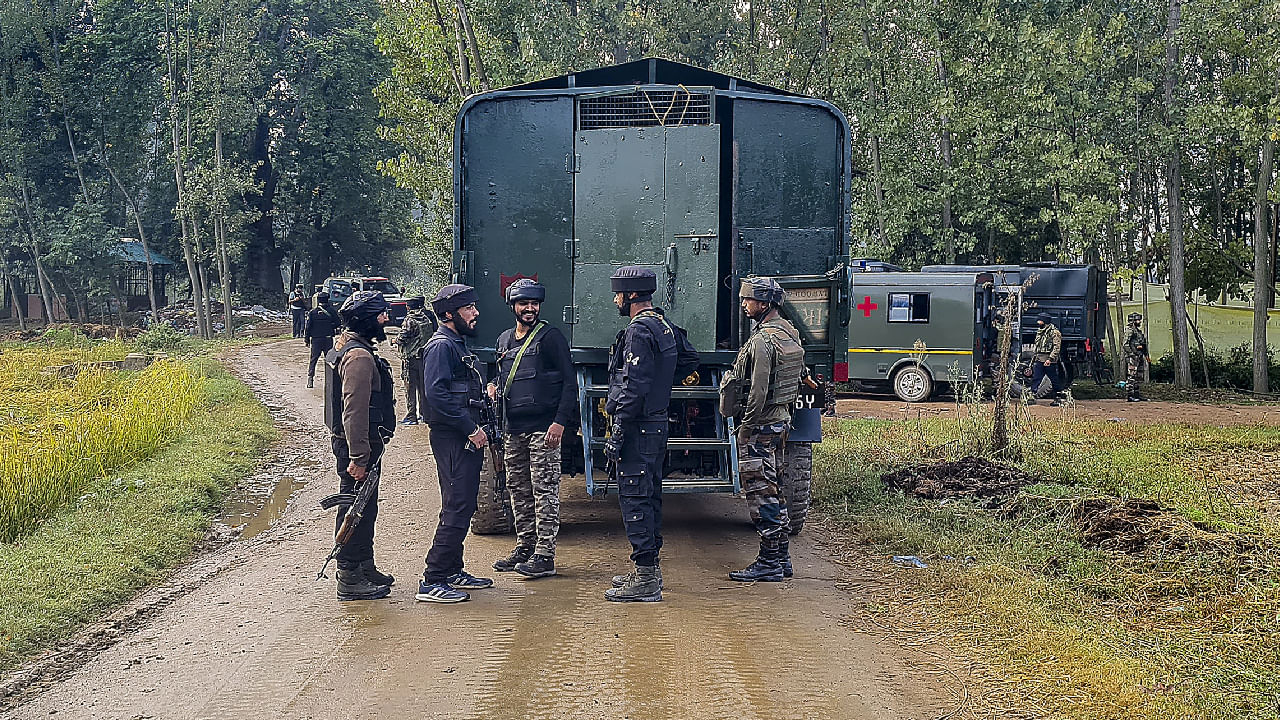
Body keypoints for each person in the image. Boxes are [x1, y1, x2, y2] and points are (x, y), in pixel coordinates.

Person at [603, 266, 698, 603]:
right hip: (655, 425)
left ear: (630, 296)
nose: (615, 299)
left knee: (635, 498)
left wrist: (617, 431)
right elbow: (689, 358)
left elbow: (633, 387)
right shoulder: (663, 324)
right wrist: (663, 382)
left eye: (618, 293)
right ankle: (649, 570)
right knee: (650, 495)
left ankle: (645, 579)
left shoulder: (639, 331)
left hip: (639, 426)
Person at [488, 279, 578, 579]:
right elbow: (498, 378)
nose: (530, 308)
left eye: (534, 303)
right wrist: (492, 387)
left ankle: (545, 554)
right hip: (514, 429)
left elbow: (569, 382)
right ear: (513, 306)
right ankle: (525, 546)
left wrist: (560, 422)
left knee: (545, 491)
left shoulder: (550, 337)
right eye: (523, 303)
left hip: (544, 429)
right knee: (518, 489)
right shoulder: (503, 341)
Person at [719, 277, 805, 582]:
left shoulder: (762, 342)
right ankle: (781, 559)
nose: (743, 304)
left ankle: (769, 560)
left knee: (760, 493)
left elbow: (757, 392)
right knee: (775, 490)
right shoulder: (789, 332)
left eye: (748, 299)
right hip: (780, 421)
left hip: (760, 425)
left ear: (765, 304)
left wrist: (746, 428)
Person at [416, 284, 494, 604]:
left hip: (462, 438)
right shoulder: (440, 347)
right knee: (457, 505)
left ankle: (452, 570)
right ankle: (433, 578)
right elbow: (436, 396)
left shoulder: (455, 344)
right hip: (454, 439)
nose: (475, 313)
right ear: (449, 314)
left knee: (463, 502)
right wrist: (470, 428)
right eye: (468, 309)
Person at [323, 290, 397, 601]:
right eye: (380, 314)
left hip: (359, 444)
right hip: (357, 447)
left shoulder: (346, 347)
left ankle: (364, 565)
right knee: (355, 509)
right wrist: (359, 456)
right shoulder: (358, 357)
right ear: (367, 320)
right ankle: (350, 575)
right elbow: (353, 409)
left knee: (365, 508)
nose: (386, 319)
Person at [395, 296, 437, 424]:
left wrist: (395, 340)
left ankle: (411, 416)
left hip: (411, 358)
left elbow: (403, 337)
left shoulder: (410, 320)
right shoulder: (427, 317)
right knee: (423, 387)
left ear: (408, 307)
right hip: (424, 357)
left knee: (410, 387)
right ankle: (425, 414)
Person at [304, 291, 340, 388]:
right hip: (328, 339)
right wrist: (330, 326)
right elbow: (338, 323)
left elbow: (308, 327)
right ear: (327, 300)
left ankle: (310, 379)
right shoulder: (332, 311)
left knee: (313, 359)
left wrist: (306, 340)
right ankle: (333, 381)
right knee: (330, 360)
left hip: (316, 340)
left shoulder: (313, 312)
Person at [1027, 312, 1064, 406]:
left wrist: (1050, 359)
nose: (1038, 322)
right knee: (1036, 378)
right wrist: (1033, 360)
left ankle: (1058, 398)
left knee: (1054, 379)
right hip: (1040, 359)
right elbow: (1037, 347)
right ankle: (1032, 396)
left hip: (1049, 360)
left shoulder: (1055, 333)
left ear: (1045, 321)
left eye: (1040, 320)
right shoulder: (1040, 332)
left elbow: (1056, 347)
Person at [1124, 312, 1150, 402]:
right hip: (1133, 357)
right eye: (1137, 320)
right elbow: (1125, 344)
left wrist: (1145, 355)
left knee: (1138, 377)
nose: (1139, 322)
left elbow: (1142, 344)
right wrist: (1132, 354)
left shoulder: (1138, 332)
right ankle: (1130, 395)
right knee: (1131, 376)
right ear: (1133, 321)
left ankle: (1137, 394)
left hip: (1139, 356)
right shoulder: (1130, 330)